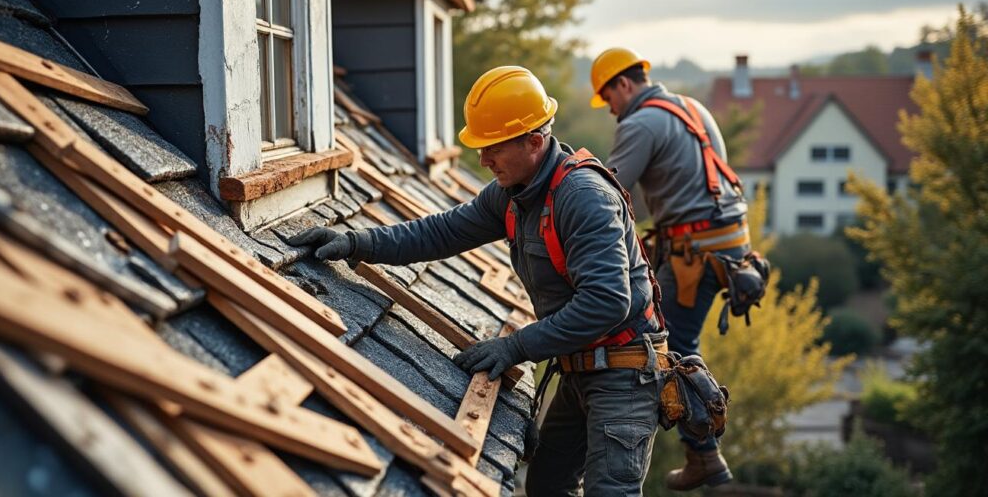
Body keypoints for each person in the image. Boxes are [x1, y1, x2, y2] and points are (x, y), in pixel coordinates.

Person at [293, 65, 668, 496]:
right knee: (547, 487)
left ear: (534, 141)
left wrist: (515, 347)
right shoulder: (514, 192)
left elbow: (607, 302)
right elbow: (439, 232)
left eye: (493, 148)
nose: (483, 159)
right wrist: (357, 242)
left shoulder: (583, 197)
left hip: (624, 375)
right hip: (579, 369)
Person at [590, 47, 749, 490]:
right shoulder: (690, 107)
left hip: (697, 254)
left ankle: (704, 456)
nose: (611, 111)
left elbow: (606, 198)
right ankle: (702, 454)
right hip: (732, 247)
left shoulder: (640, 123)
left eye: (609, 99)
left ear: (624, 84)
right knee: (679, 339)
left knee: (667, 349)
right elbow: (639, 202)